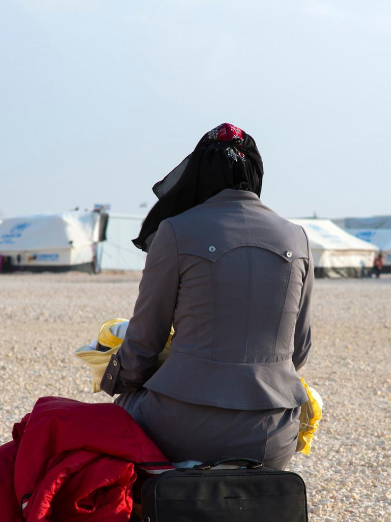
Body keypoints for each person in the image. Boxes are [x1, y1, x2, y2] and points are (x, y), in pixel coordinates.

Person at [100, 123, 312, 471]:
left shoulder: (175, 231)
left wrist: (116, 380)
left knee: (122, 410)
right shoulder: (296, 237)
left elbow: (144, 342)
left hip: (182, 432)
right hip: (272, 438)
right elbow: (298, 351)